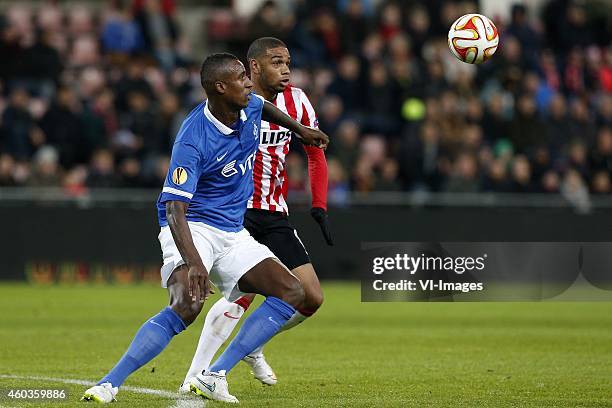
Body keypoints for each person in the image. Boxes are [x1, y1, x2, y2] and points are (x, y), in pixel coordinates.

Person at [81, 52, 328, 404]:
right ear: (219, 87)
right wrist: (195, 262)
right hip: (192, 226)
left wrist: (300, 130)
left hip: (231, 229)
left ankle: (214, 375)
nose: (248, 83)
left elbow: (264, 107)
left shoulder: (248, 106)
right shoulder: (193, 138)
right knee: (187, 305)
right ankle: (109, 383)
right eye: (241, 78)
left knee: (292, 292)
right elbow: (175, 207)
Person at [181, 37, 332, 390]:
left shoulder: (298, 101)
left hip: (274, 212)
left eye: (288, 62)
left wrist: (319, 203)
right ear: (254, 67)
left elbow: (313, 150)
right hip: (236, 213)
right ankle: (199, 375)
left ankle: (254, 345)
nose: (286, 70)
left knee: (311, 297)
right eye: (277, 62)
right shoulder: (231, 102)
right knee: (241, 296)